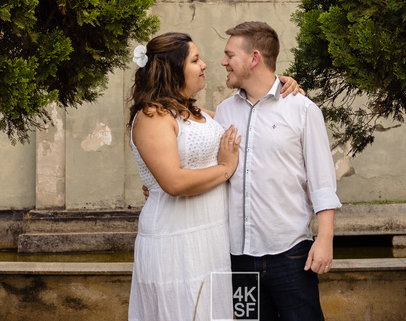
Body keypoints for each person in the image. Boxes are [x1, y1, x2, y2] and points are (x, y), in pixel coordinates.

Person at [127, 31, 305, 321]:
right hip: (176, 238)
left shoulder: (196, 114)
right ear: (173, 69)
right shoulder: (152, 116)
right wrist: (225, 168)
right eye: (195, 60)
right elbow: (173, 182)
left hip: (211, 237)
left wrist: (279, 85)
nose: (205, 65)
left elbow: (248, 115)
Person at [216, 21, 341, 321]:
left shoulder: (303, 109)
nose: (223, 62)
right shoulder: (223, 111)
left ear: (254, 58)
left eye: (230, 55)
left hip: (291, 255)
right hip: (238, 260)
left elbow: (322, 181)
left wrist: (325, 239)